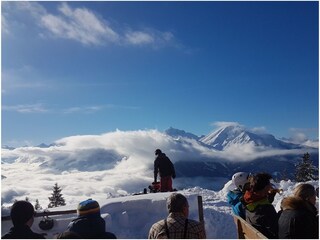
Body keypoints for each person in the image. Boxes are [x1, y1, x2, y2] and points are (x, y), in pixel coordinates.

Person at [242, 172, 279, 238]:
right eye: (269, 184)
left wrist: (268, 196)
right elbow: (277, 230)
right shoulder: (266, 209)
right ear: (265, 187)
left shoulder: (247, 201)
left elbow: (261, 214)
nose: (271, 186)